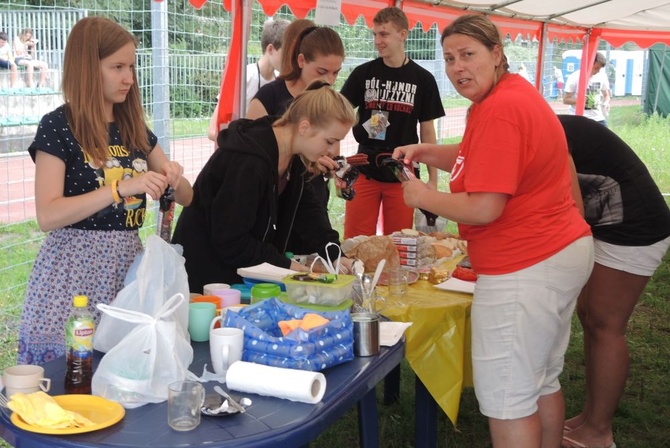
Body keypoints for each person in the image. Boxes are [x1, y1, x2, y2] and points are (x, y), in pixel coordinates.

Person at [393, 15, 593, 448]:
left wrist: (422, 196)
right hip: (559, 250)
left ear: (496, 53)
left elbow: (484, 206)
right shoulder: (507, 96)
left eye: (468, 55)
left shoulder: (501, 110)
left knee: (508, 398)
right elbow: (477, 158)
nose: (457, 67)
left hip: (526, 264)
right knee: (540, 380)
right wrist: (427, 150)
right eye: (448, 59)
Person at [17, 17, 193, 366]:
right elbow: (48, 215)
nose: (129, 78)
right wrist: (120, 188)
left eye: (131, 67)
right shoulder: (58, 126)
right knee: (67, 378)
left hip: (126, 270)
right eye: (117, 67)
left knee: (122, 373)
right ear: (86, 68)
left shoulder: (133, 128)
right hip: (71, 276)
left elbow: (188, 196)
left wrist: (174, 176)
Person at [172, 81, 356, 293]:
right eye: (330, 141)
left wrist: (336, 255)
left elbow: (308, 214)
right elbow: (231, 239)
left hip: (235, 277)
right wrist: (286, 266)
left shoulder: (293, 152)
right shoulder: (249, 161)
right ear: (305, 127)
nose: (333, 151)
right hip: (206, 279)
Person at [558, 114, 670, 448]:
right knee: (591, 318)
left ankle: (599, 432)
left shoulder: (546, 133)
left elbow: (569, 210)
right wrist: (425, 151)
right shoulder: (528, 127)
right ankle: (589, 419)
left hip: (635, 226)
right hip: (607, 224)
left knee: (606, 325)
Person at [340, 7, 444, 239]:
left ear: (403, 34)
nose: (377, 40)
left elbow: (427, 131)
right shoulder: (362, 74)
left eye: (384, 34)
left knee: (400, 244)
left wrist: (433, 179)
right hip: (364, 171)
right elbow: (337, 114)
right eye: (375, 34)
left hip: (403, 175)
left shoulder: (423, 80)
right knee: (356, 243)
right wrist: (340, 163)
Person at [247, 20, 345, 214]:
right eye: (322, 72)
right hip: (274, 204)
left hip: (311, 204)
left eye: (336, 73)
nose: (329, 81)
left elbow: (332, 151)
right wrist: (304, 163)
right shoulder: (269, 96)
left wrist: (330, 166)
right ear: (301, 60)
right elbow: (251, 160)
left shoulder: (328, 101)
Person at [207, 18, 289, 141]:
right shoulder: (245, 77)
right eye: (287, 52)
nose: (290, 58)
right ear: (270, 49)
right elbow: (213, 131)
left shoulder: (280, 81)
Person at [563, 51, 611, 126]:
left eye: (600, 68)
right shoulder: (574, 77)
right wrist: (580, 101)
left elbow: (606, 95)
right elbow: (565, 100)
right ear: (589, 64)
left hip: (598, 118)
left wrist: (606, 103)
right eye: (596, 68)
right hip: (579, 118)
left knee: (607, 137)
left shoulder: (602, 76)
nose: (598, 71)